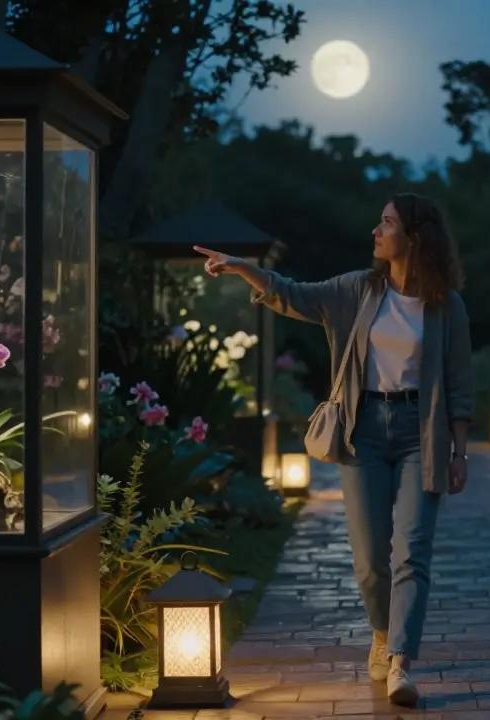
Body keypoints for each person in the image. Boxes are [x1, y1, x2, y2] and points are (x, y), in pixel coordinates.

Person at [193, 193, 474, 707]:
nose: (376, 231)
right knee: (370, 559)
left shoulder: (445, 305)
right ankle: (382, 633)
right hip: (361, 430)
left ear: (415, 236)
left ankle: (401, 662)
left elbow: (458, 383)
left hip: (422, 432)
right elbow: (293, 295)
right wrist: (244, 268)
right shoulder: (358, 289)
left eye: (386, 223)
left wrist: (459, 451)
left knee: (413, 552)